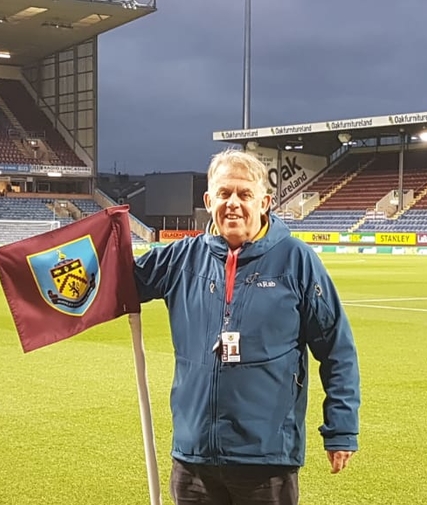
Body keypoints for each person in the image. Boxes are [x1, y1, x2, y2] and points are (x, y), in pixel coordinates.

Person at [135, 149, 361, 505]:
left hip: (265, 459)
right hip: (194, 457)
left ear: (265, 201)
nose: (233, 204)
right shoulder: (181, 257)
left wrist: (341, 428)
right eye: (224, 194)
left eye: (244, 194)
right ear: (209, 200)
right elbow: (117, 280)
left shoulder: (297, 260)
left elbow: (336, 349)